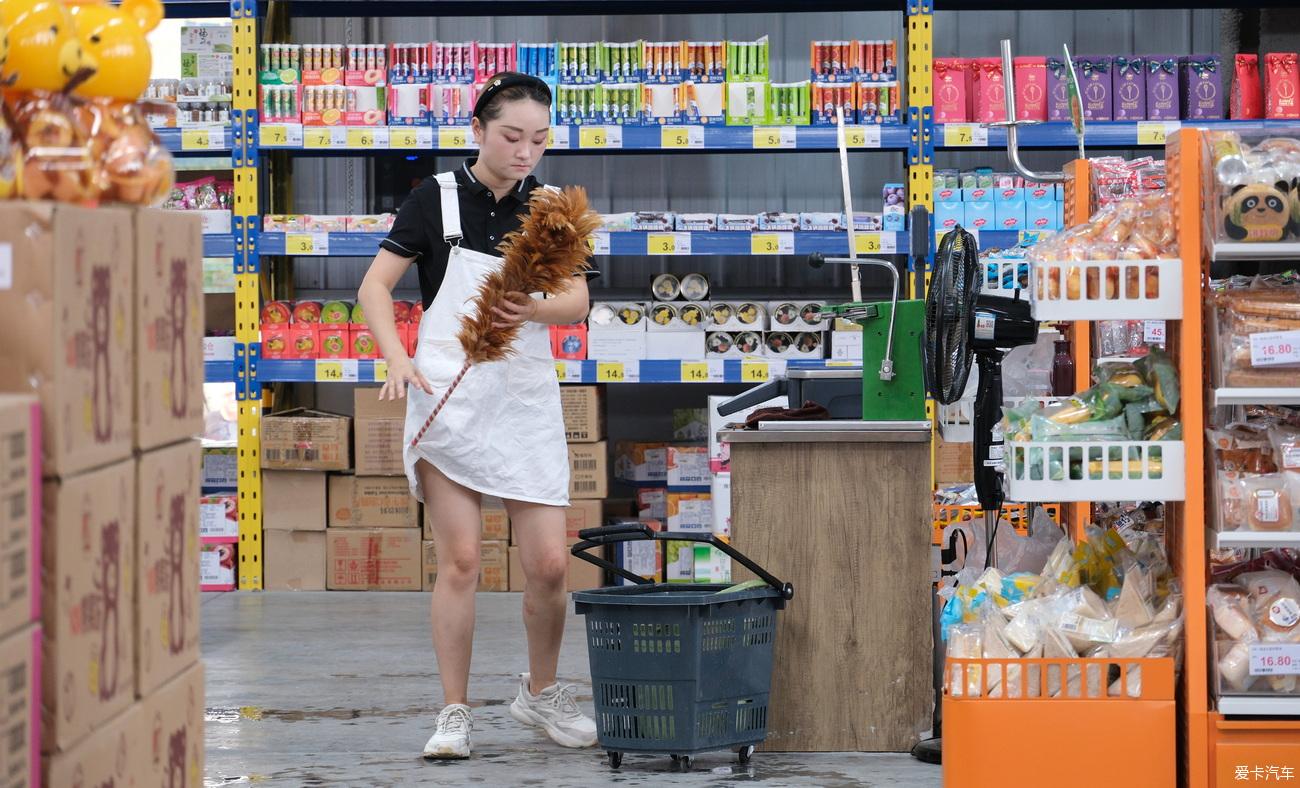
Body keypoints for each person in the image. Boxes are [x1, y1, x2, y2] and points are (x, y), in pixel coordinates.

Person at [357, 72, 597, 760]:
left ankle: (540, 693)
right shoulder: (433, 199)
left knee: (550, 563)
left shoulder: (552, 206)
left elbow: (577, 299)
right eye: (511, 136)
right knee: (461, 559)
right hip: (449, 396)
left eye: (539, 139)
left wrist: (535, 308)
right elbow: (376, 286)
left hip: (521, 399)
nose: (526, 152)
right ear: (478, 132)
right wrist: (395, 357)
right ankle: (453, 712)